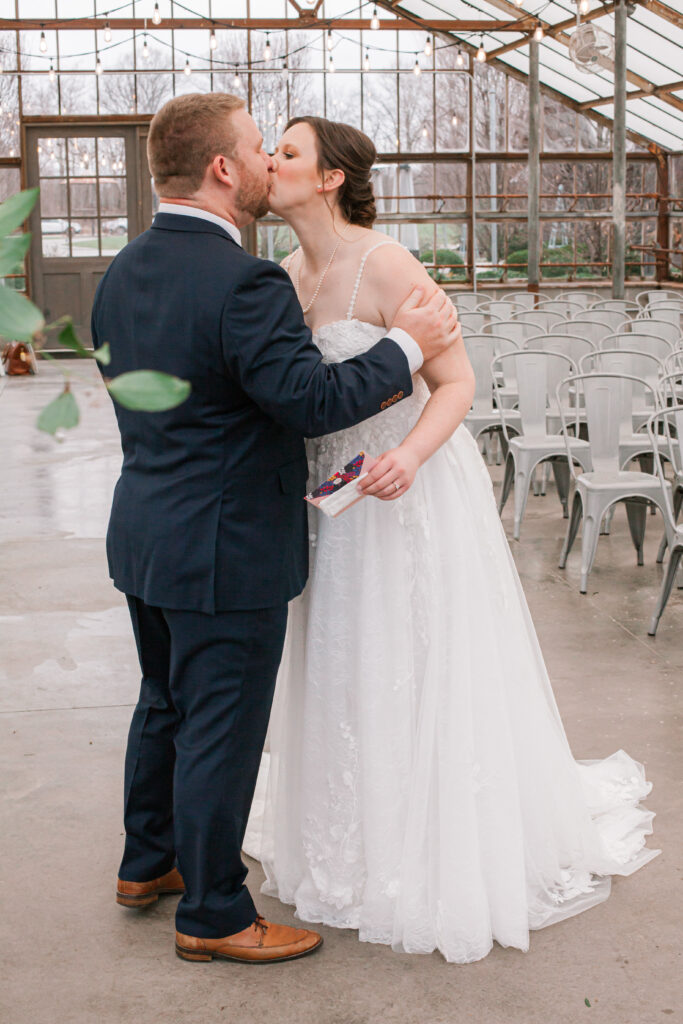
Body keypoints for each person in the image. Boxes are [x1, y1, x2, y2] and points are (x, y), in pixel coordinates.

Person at [244, 116, 659, 964]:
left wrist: (406, 455)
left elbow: (457, 382)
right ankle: (349, 832)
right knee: (340, 657)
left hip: (406, 491)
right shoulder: (284, 275)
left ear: (329, 177)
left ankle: (427, 836)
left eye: (286, 152)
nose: (269, 162)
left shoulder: (387, 263)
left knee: (410, 655)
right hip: (332, 506)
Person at [91, 94, 459, 966]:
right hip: (226, 544)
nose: (266, 161)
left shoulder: (124, 269)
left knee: (164, 702)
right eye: (259, 147)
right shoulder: (245, 280)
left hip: (148, 533)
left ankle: (148, 863)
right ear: (223, 168)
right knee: (219, 726)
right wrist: (405, 347)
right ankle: (215, 912)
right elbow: (311, 401)